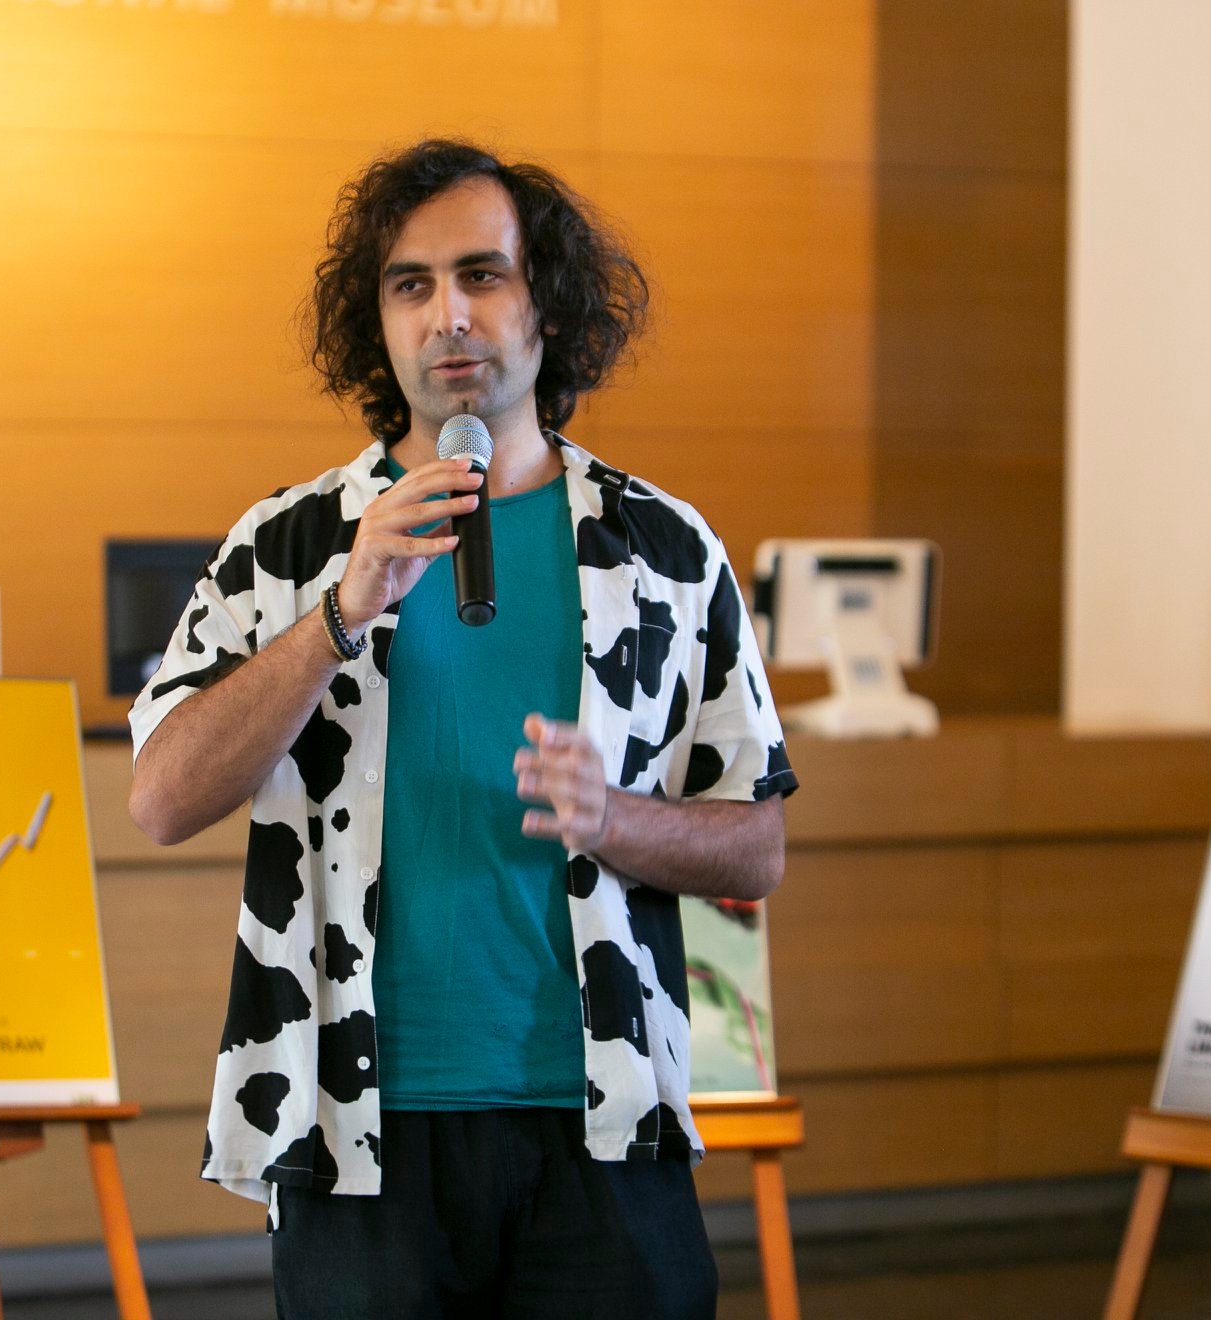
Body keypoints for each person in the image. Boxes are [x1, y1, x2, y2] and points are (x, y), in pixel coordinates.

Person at [127, 138, 798, 1319]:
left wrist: (613, 819)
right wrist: (338, 613)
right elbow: (162, 797)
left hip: (602, 1115)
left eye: (482, 275)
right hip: (352, 1122)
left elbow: (756, 846)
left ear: (550, 304)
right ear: (378, 322)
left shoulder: (662, 550)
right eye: (411, 284)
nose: (448, 315)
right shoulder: (287, 546)